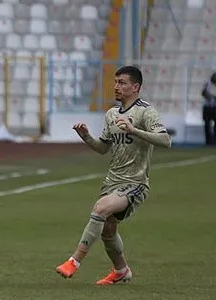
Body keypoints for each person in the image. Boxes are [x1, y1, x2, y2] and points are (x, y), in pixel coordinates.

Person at [55, 65, 171, 285]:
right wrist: (87, 137)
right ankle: (121, 271)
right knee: (108, 230)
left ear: (135, 87)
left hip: (135, 182)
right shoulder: (111, 114)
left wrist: (134, 130)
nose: (116, 86)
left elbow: (166, 140)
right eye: (115, 82)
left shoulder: (146, 111)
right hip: (112, 182)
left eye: (122, 83)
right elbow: (103, 148)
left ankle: (74, 261)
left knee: (100, 209)